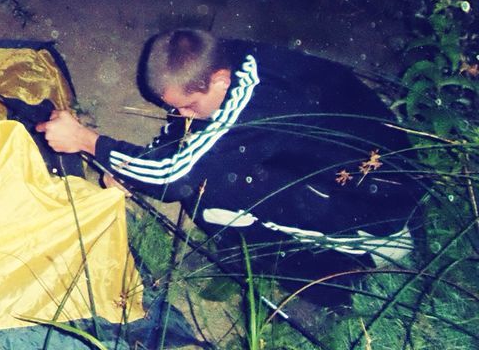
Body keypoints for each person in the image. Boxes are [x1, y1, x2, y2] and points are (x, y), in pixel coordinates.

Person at [38, 28, 420, 302]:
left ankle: (332, 269)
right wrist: (131, 167)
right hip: (339, 157)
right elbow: (186, 129)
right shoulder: (224, 59)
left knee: (210, 196)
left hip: (373, 206)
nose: (179, 114)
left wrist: (89, 142)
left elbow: (175, 176)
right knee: (215, 178)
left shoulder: (255, 106)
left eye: (187, 105)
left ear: (219, 81)